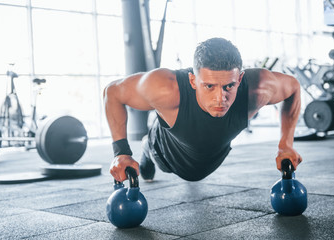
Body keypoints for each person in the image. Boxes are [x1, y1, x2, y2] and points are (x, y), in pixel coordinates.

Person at [104, 37, 302, 182]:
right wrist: (121, 152)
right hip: (167, 153)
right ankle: (147, 146)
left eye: (229, 87)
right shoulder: (165, 88)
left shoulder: (258, 89)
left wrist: (286, 145)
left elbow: (293, 87)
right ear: (193, 80)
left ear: (240, 79)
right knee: (158, 155)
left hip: (212, 157)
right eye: (209, 86)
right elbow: (112, 92)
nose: (220, 99)